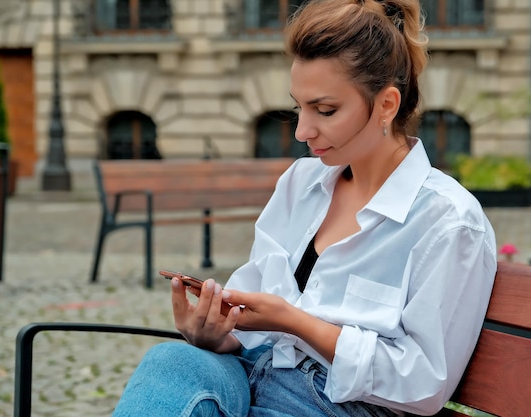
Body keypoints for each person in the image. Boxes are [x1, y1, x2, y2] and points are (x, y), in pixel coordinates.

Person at [112, 0, 497, 415]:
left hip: (337, 403)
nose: (302, 130)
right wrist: (218, 333)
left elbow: (423, 385)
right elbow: (252, 317)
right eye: (300, 107)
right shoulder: (301, 183)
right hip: (252, 372)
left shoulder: (448, 222)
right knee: (171, 361)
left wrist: (295, 322)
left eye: (325, 110)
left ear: (387, 105)